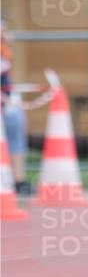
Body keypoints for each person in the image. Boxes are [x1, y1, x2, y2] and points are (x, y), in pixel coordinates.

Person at [1, 17, 32, 196]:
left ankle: (18, 180)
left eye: (6, 31)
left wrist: (11, 98)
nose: (7, 36)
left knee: (16, 123)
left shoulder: (5, 53)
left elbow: (6, 81)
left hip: (7, 103)